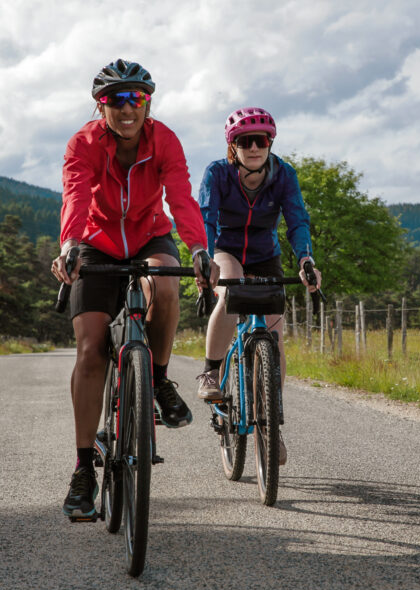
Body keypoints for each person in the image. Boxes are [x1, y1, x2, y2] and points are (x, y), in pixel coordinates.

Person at [52, 59, 219, 518]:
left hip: (150, 236)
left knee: (165, 283)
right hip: (96, 242)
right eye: (117, 99)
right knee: (91, 350)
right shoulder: (83, 143)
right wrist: (70, 244)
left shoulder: (164, 140)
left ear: (148, 103)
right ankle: (83, 469)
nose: (128, 108)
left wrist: (198, 248)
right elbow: (75, 194)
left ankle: (159, 380)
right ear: (100, 105)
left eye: (137, 99)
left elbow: (181, 196)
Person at [195, 106, 321, 465]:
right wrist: (206, 259)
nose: (254, 147)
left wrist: (306, 260)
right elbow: (207, 218)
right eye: (245, 141)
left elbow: (297, 220)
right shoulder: (217, 173)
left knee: (275, 340)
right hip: (227, 249)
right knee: (231, 292)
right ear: (233, 146)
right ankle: (211, 371)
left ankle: (270, 425)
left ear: (270, 143)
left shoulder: (284, 174)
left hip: (266, 254)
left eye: (261, 140)